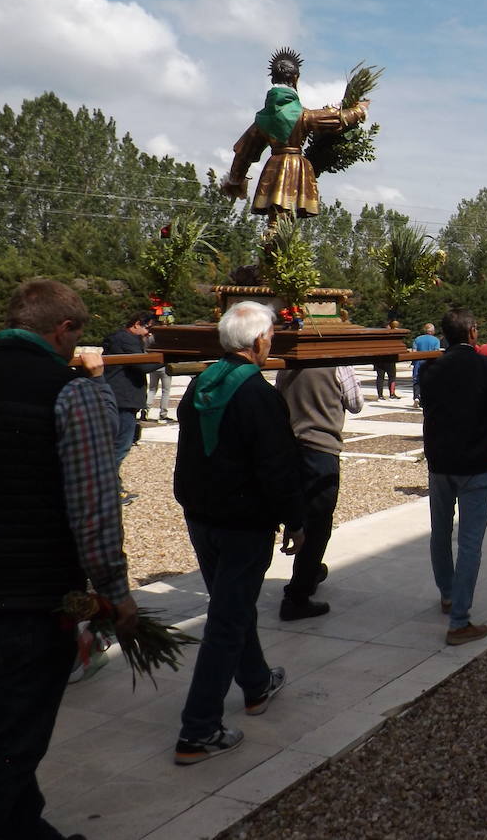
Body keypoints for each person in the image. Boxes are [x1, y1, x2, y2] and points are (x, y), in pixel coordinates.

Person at [0, 278, 137, 840]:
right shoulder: (71, 391)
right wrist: (114, 591)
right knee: (8, 752)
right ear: (64, 329)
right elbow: (92, 504)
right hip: (29, 596)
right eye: (78, 335)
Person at [172, 301, 305, 766]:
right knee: (227, 621)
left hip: (202, 516)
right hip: (244, 522)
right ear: (259, 341)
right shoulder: (256, 393)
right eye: (271, 335)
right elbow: (278, 465)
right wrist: (296, 518)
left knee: (232, 604)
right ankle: (198, 729)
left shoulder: (199, 383)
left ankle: (256, 683)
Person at [421, 308, 487, 645]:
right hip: (475, 463)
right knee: (470, 543)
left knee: (440, 532)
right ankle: (459, 620)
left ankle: (448, 594)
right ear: (474, 333)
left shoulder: (432, 370)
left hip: (440, 462)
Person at [221, 47, 369, 225]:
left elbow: (243, 153)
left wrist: (235, 180)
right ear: (295, 78)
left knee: (276, 216)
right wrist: (359, 110)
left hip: (273, 167)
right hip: (296, 166)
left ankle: (274, 237)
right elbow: (337, 119)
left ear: (273, 79)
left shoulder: (262, 120)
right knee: (286, 216)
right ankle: (278, 241)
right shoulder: (302, 115)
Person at [275, 363, 364, 620]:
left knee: (298, 513)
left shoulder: (286, 367)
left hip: (290, 449)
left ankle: (309, 572)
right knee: (319, 523)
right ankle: (297, 596)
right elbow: (356, 402)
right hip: (321, 449)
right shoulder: (338, 365)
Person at [103, 312, 153, 501]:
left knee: (116, 445)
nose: (148, 333)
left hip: (118, 397)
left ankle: (113, 487)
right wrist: (166, 358)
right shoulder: (127, 340)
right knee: (120, 446)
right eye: (147, 327)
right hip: (123, 399)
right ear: (137, 324)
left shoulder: (119, 339)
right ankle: (110, 490)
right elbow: (143, 366)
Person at [142, 326, 173, 422]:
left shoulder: (149, 338)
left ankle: (145, 409)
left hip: (152, 364)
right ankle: (163, 413)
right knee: (165, 391)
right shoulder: (167, 339)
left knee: (152, 389)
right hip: (164, 365)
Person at [410, 323, 441, 406]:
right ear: (432, 331)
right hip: (429, 363)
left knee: (416, 380)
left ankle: (416, 397)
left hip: (418, 362)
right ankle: (425, 400)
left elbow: (414, 352)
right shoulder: (436, 340)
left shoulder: (417, 339)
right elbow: (436, 353)